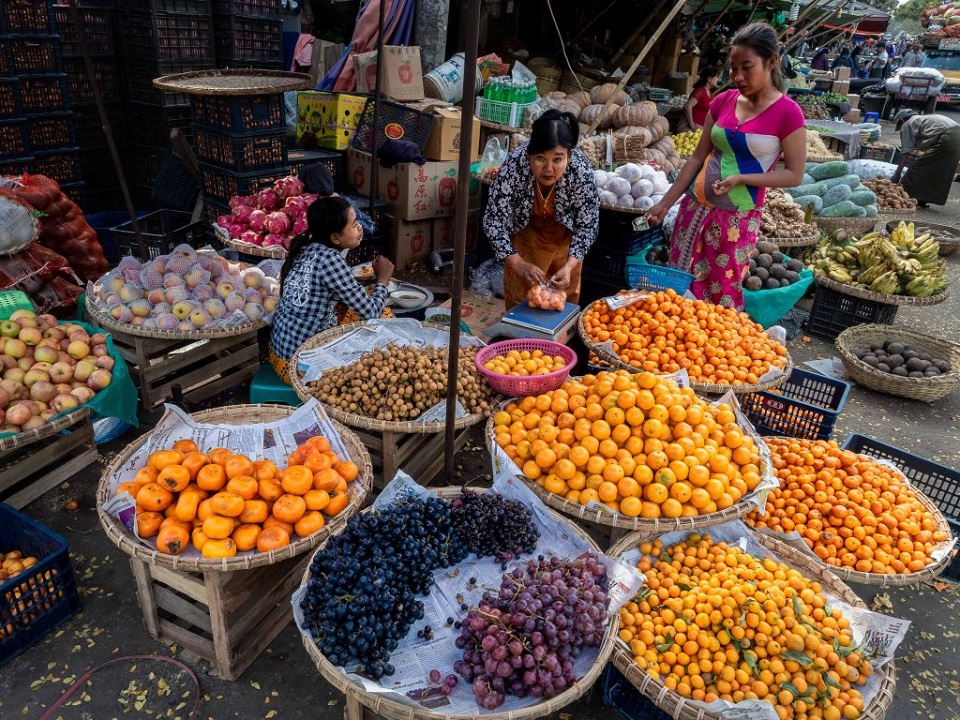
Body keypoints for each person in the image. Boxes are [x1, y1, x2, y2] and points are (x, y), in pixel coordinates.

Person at [645, 22, 806, 310]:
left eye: (747, 67)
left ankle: (714, 354)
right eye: (733, 68)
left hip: (736, 218)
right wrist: (666, 203)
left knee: (720, 294)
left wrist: (742, 178)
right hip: (693, 209)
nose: (738, 76)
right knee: (677, 289)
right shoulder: (723, 101)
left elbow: (794, 175)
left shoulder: (788, 113)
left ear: (772, 62)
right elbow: (697, 157)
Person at [482, 109, 600, 310]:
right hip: (525, 236)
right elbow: (493, 219)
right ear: (529, 155)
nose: (548, 169)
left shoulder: (580, 171)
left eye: (557, 159)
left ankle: (556, 340)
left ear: (569, 156)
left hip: (564, 241)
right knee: (522, 297)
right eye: (540, 158)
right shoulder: (515, 166)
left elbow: (588, 224)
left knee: (562, 298)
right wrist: (517, 263)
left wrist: (569, 267)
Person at [268, 196, 395, 383]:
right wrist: (383, 279)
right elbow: (371, 311)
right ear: (335, 237)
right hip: (298, 366)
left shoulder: (307, 247)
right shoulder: (329, 259)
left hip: (279, 353)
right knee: (384, 315)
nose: (359, 227)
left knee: (352, 306)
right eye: (353, 224)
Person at [892, 109, 960, 207]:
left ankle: (904, 196)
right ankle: (921, 199)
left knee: (917, 167)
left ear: (902, 120)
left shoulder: (908, 124)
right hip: (956, 135)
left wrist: (897, 174)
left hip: (949, 137)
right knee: (937, 169)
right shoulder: (923, 119)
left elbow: (905, 152)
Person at [683, 65, 719, 130]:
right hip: (693, 128)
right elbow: (687, 106)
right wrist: (692, 125)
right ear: (709, 79)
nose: (717, 79)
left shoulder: (711, 93)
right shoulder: (700, 91)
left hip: (702, 128)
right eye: (716, 77)